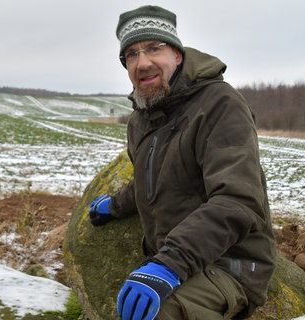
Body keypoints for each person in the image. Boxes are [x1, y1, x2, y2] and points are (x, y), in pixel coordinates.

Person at [88, 5, 276, 320]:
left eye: (153, 48)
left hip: (230, 264)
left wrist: (168, 264)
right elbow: (152, 181)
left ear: (177, 54)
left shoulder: (220, 104)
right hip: (178, 258)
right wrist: (114, 205)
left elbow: (238, 200)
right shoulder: (141, 121)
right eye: (131, 55)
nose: (142, 62)